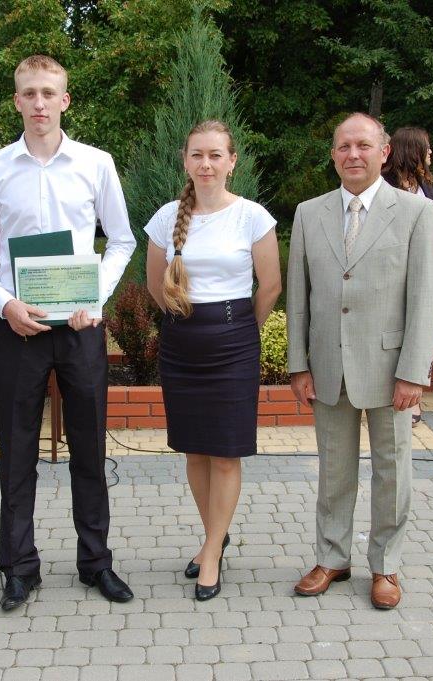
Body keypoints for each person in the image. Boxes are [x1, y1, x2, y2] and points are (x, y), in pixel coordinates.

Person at [0, 55, 136, 611]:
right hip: (19, 327)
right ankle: (18, 567)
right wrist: (4, 303)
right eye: (29, 93)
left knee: (89, 449)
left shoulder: (96, 164)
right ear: (17, 101)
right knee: (16, 451)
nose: (39, 103)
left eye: (49, 93)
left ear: (65, 100)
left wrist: (94, 300)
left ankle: (96, 562)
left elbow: (122, 240)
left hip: (80, 329)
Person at [286, 113, 433, 609]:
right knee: (334, 469)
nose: (353, 154)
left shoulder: (416, 213)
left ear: (384, 152)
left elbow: (426, 297)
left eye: (363, 145)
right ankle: (331, 557)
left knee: (392, 471)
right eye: (343, 146)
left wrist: (414, 372)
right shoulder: (309, 213)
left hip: (390, 368)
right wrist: (298, 364)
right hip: (328, 366)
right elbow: (299, 296)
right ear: (333, 154)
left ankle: (386, 565)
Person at [143, 120, 281, 601]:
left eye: (216, 155)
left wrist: (238, 329)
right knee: (195, 451)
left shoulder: (252, 217)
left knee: (225, 454)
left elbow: (270, 286)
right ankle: (213, 541)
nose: (206, 164)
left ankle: (212, 555)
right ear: (185, 161)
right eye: (197, 155)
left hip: (233, 343)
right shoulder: (166, 217)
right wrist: (185, 320)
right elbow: (154, 284)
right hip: (182, 344)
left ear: (231, 162)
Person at [381, 126, 433, 427]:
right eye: (426, 146)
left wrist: (431, 251)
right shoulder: (384, 182)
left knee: (420, 326)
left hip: (425, 265)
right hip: (393, 270)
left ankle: (415, 394)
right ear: (412, 149)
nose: (430, 152)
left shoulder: (427, 185)